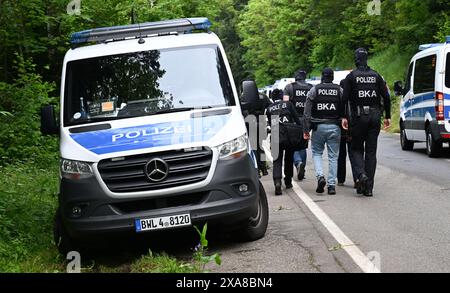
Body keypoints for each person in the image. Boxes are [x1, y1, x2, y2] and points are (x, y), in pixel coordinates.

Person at [341, 48, 391, 197]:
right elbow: (387, 97)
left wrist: (344, 117)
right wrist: (387, 116)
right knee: (371, 152)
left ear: (356, 60)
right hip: (375, 116)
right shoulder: (376, 76)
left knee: (356, 149)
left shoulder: (351, 77)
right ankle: (368, 188)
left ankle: (361, 175)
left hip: (358, 117)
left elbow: (344, 99)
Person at [303, 68, 346, 195]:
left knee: (316, 153)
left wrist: (306, 129)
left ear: (322, 77)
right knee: (333, 156)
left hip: (318, 127)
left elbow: (307, 111)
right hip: (335, 127)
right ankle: (331, 185)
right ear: (332, 77)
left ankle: (320, 177)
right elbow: (345, 106)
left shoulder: (314, 90)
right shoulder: (339, 90)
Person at [267, 88, 301, 196]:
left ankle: (277, 182)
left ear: (272, 98)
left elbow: (268, 124)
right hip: (289, 135)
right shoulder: (288, 104)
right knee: (289, 158)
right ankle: (288, 181)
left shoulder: (269, 108)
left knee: (277, 159)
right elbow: (297, 120)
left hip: (276, 135)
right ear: (282, 96)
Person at [284, 70, 313, 181]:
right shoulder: (311, 87)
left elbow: (285, 104)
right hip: (306, 120)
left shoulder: (289, 87)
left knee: (293, 144)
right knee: (303, 144)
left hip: (293, 120)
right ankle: (302, 169)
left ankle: (298, 163)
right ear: (305, 77)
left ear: (295, 77)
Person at [337, 80, 358, 187]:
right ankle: (356, 179)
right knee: (354, 154)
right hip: (353, 130)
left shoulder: (339, 99)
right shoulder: (354, 98)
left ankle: (340, 179)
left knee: (341, 155)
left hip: (341, 131)